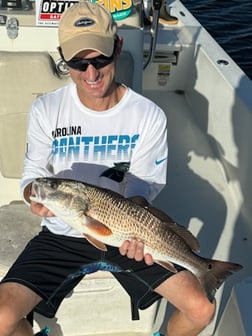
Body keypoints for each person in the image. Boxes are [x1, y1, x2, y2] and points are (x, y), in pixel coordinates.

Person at [0, 2, 215, 336]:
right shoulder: (46, 108)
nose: (91, 73)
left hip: (129, 235)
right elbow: (33, 173)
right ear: (63, 57)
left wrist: (142, 235)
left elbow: (142, 189)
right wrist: (35, 196)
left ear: (117, 48)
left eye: (99, 58)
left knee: (202, 308)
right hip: (61, 234)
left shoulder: (149, 116)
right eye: (77, 62)